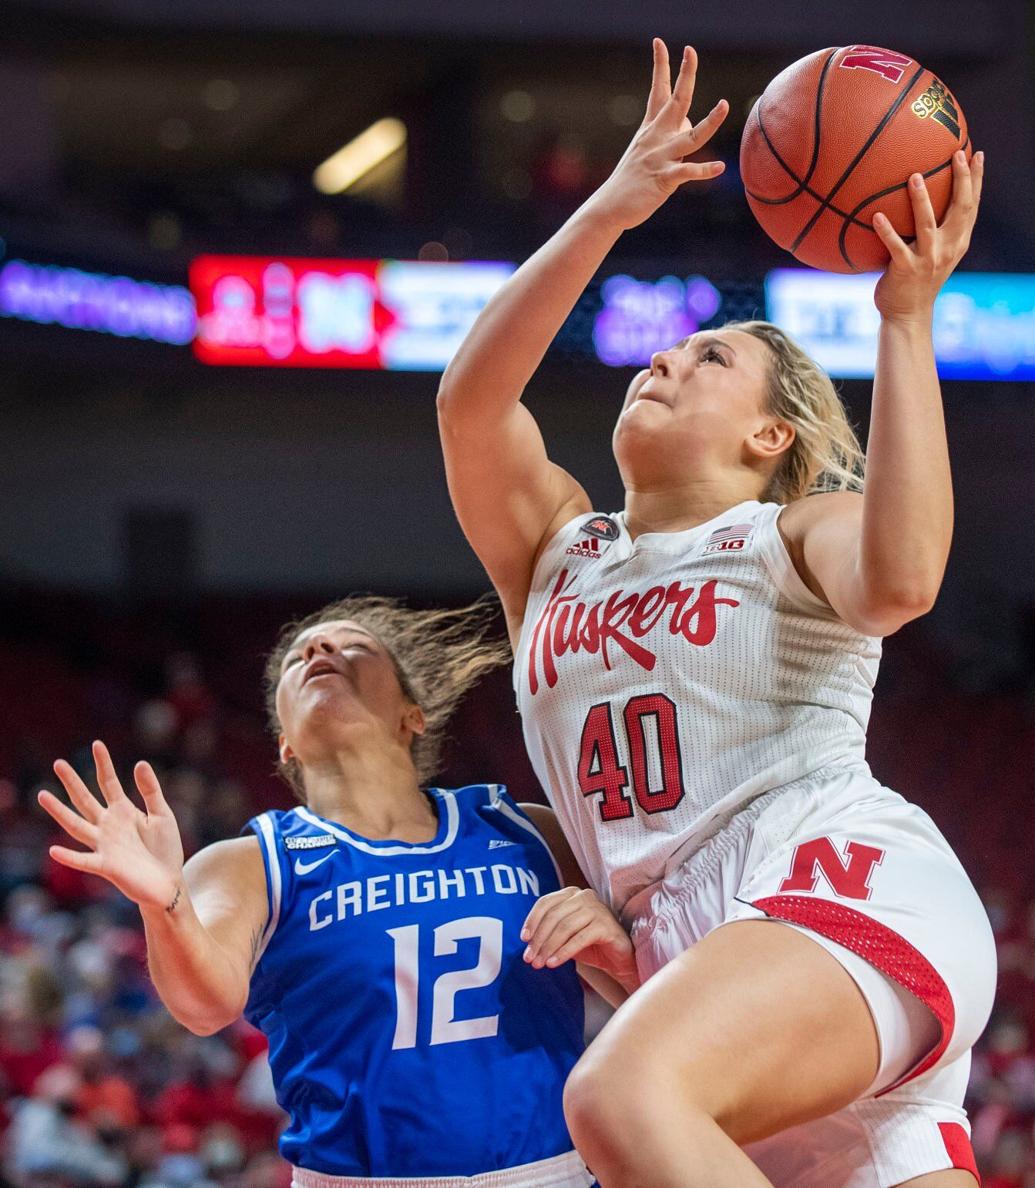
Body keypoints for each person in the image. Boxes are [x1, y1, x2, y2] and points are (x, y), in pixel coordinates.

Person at [438, 38, 996, 1188]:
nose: (667, 358)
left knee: (623, 1095)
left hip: (832, 879)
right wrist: (608, 209)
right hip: (690, 952)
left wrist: (904, 321)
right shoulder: (558, 548)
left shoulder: (793, 533)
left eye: (711, 355)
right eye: (668, 346)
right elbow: (472, 401)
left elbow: (902, 581)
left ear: (771, 436)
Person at [38, 595, 638, 1187]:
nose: (321, 648)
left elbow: (653, 994)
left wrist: (617, 949)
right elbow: (204, 1007)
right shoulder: (250, 863)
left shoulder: (528, 829)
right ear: (285, 746)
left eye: (353, 645)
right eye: (301, 654)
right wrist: (162, 903)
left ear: (413, 713)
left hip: (549, 1174)